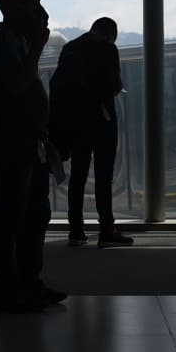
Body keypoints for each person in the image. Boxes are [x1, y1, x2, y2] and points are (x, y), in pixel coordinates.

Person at [0, 0, 65, 313]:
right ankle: (7, 286)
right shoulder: (0, 41)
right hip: (10, 141)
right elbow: (15, 85)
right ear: (17, 8)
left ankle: (29, 281)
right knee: (10, 216)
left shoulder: (15, 39)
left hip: (29, 141)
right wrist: (39, 46)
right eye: (34, 2)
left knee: (33, 213)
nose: (41, 11)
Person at [50, 17, 128, 249]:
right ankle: (106, 230)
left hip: (74, 122)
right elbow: (114, 85)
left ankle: (76, 230)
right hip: (101, 120)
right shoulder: (107, 48)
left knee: (78, 174)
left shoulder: (69, 48)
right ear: (110, 33)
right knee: (104, 177)